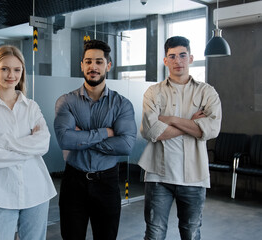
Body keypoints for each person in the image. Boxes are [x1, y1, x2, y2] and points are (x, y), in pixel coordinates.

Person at [139, 36, 222, 240]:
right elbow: (151, 132)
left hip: (195, 176)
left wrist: (170, 119)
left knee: (191, 233)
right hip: (158, 176)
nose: (178, 61)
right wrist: (192, 124)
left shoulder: (207, 92)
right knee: (154, 234)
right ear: (166, 61)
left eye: (182, 55)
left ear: (191, 58)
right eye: (172, 56)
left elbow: (211, 129)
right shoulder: (153, 92)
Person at [0, 45, 57, 240]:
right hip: (2, 195)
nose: (11, 75)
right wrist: (28, 149)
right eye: (5, 69)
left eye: (17, 69)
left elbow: (43, 144)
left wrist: (1, 142)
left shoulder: (31, 106)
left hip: (37, 191)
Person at [54, 39, 137, 240]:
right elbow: (65, 140)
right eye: (88, 61)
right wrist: (106, 132)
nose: (93, 67)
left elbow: (126, 145)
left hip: (107, 182)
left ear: (108, 66)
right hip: (74, 182)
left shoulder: (122, 104)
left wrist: (81, 138)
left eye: (99, 62)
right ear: (81, 65)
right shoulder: (67, 101)